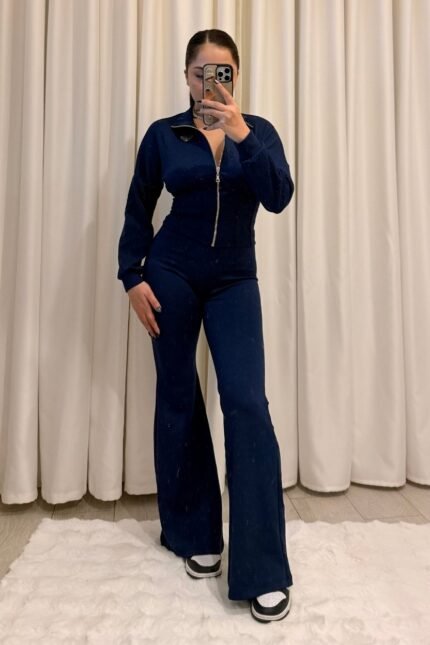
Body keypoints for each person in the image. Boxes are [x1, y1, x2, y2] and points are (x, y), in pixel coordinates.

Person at [117, 28, 294, 623]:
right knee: (178, 397)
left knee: (246, 402)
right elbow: (139, 204)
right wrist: (132, 275)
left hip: (235, 280)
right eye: (200, 73)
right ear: (187, 76)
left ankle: (262, 567)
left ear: (235, 77)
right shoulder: (163, 134)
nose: (209, 83)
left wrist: (241, 133)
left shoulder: (258, 131)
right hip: (171, 274)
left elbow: (278, 195)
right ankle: (195, 532)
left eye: (222, 73)